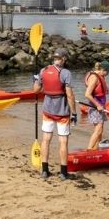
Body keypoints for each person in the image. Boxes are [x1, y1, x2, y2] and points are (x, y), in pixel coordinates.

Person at [33, 47, 77, 180]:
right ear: (63, 59)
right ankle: (63, 173)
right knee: (63, 141)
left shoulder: (43, 70)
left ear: (54, 58)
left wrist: (35, 79)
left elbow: (36, 90)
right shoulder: (65, 73)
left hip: (47, 111)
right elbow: (69, 95)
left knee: (46, 139)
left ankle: (44, 170)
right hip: (62, 113)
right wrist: (74, 113)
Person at [84, 60, 109, 149]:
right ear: (104, 70)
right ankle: (88, 150)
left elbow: (101, 86)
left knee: (100, 128)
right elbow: (87, 94)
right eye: (108, 72)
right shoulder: (94, 77)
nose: (108, 74)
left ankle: (97, 148)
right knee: (98, 129)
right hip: (95, 107)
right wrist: (98, 105)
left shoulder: (101, 75)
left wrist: (106, 88)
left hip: (101, 106)